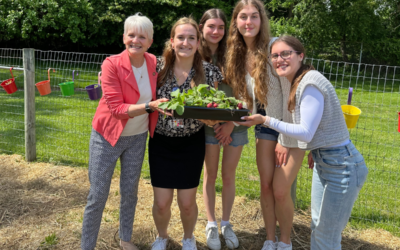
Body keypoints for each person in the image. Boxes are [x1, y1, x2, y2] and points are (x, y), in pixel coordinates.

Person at [239, 35, 368, 250]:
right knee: (318, 229)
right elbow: (316, 129)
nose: (280, 59)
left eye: (286, 54)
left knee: (325, 238)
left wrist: (265, 120)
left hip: (342, 167)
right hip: (325, 162)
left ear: (301, 55)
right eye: (275, 56)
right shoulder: (296, 83)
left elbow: (306, 133)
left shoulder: (310, 82)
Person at [80, 14, 169, 250]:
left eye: (142, 36)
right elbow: (117, 110)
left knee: (130, 192)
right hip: (107, 137)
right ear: (123, 37)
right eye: (131, 35)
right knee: (98, 195)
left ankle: (125, 239)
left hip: (137, 138)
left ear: (150, 41)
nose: (135, 40)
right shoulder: (111, 64)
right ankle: (87, 245)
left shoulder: (153, 63)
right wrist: (151, 106)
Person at [224, 1, 301, 250]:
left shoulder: (273, 47)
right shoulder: (236, 54)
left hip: (286, 124)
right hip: (263, 123)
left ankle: (285, 241)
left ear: (262, 19)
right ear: (236, 21)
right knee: (266, 184)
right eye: (243, 17)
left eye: (254, 16)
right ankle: (270, 238)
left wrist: (284, 138)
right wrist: (230, 121)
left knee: (281, 189)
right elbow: (247, 101)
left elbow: (290, 89)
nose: (249, 22)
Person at [149, 17, 223, 250]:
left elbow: (215, 116)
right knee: (162, 203)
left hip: (191, 143)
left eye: (192, 38)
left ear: (199, 42)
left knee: (187, 203)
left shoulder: (209, 73)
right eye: (180, 37)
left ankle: (188, 238)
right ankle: (162, 237)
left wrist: (188, 112)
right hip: (161, 142)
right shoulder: (157, 69)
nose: (186, 42)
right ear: (172, 41)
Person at [199, 8, 249, 250]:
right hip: (208, 125)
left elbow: (245, 91)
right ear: (202, 28)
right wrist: (215, 123)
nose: (216, 31)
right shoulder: (195, 54)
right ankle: (210, 223)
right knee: (210, 174)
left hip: (234, 124)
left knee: (229, 175)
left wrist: (230, 123)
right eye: (211, 26)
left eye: (220, 27)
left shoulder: (235, 54)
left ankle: (226, 223)